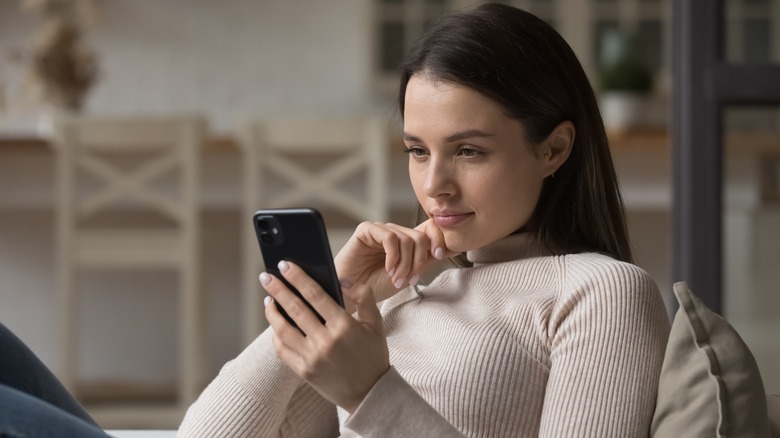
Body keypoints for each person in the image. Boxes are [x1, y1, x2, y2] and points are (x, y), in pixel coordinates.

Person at [178, 3, 670, 437]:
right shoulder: (395, 303)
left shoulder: (600, 291)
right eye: (417, 150)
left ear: (554, 148)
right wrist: (337, 296)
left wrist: (370, 393)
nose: (435, 184)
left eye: (469, 150)